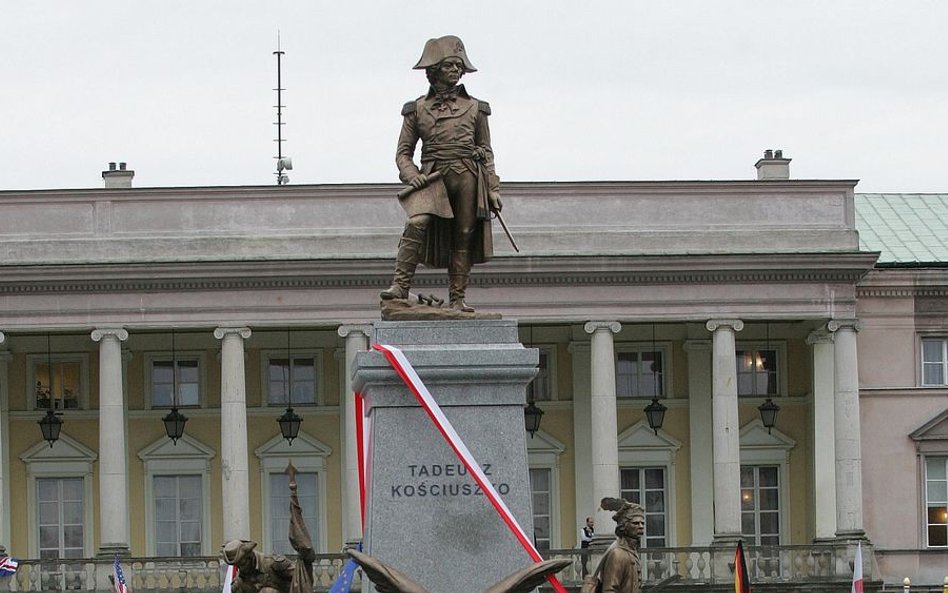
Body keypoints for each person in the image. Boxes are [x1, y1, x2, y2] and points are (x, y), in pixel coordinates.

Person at [381, 35, 503, 312]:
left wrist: (494, 189)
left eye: (460, 65)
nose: (457, 70)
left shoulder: (476, 108)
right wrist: (413, 177)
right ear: (434, 69)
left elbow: (487, 150)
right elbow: (403, 153)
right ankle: (400, 286)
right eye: (450, 64)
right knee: (416, 223)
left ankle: (457, 299)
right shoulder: (417, 109)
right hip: (432, 176)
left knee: (464, 234)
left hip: (467, 175)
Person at [593, 499, 644, 593]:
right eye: (635, 523)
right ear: (624, 526)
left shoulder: (631, 552)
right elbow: (609, 590)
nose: (641, 526)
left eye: (642, 523)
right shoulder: (618, 554)